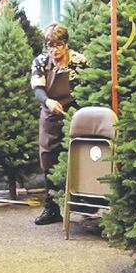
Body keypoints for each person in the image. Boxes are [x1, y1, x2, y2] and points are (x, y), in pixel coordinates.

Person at [30, 22, 87, 225]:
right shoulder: (41, 62)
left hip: (75, 115)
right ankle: (52, 208)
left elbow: (87, 87)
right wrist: (47, 101)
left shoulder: (79, 61)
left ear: (66, 44)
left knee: (80, 157)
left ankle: (84, 205)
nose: (53, 51)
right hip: (50, 114)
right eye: (49, 46)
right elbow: (37, 88)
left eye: (57, 46)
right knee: (48, 159)